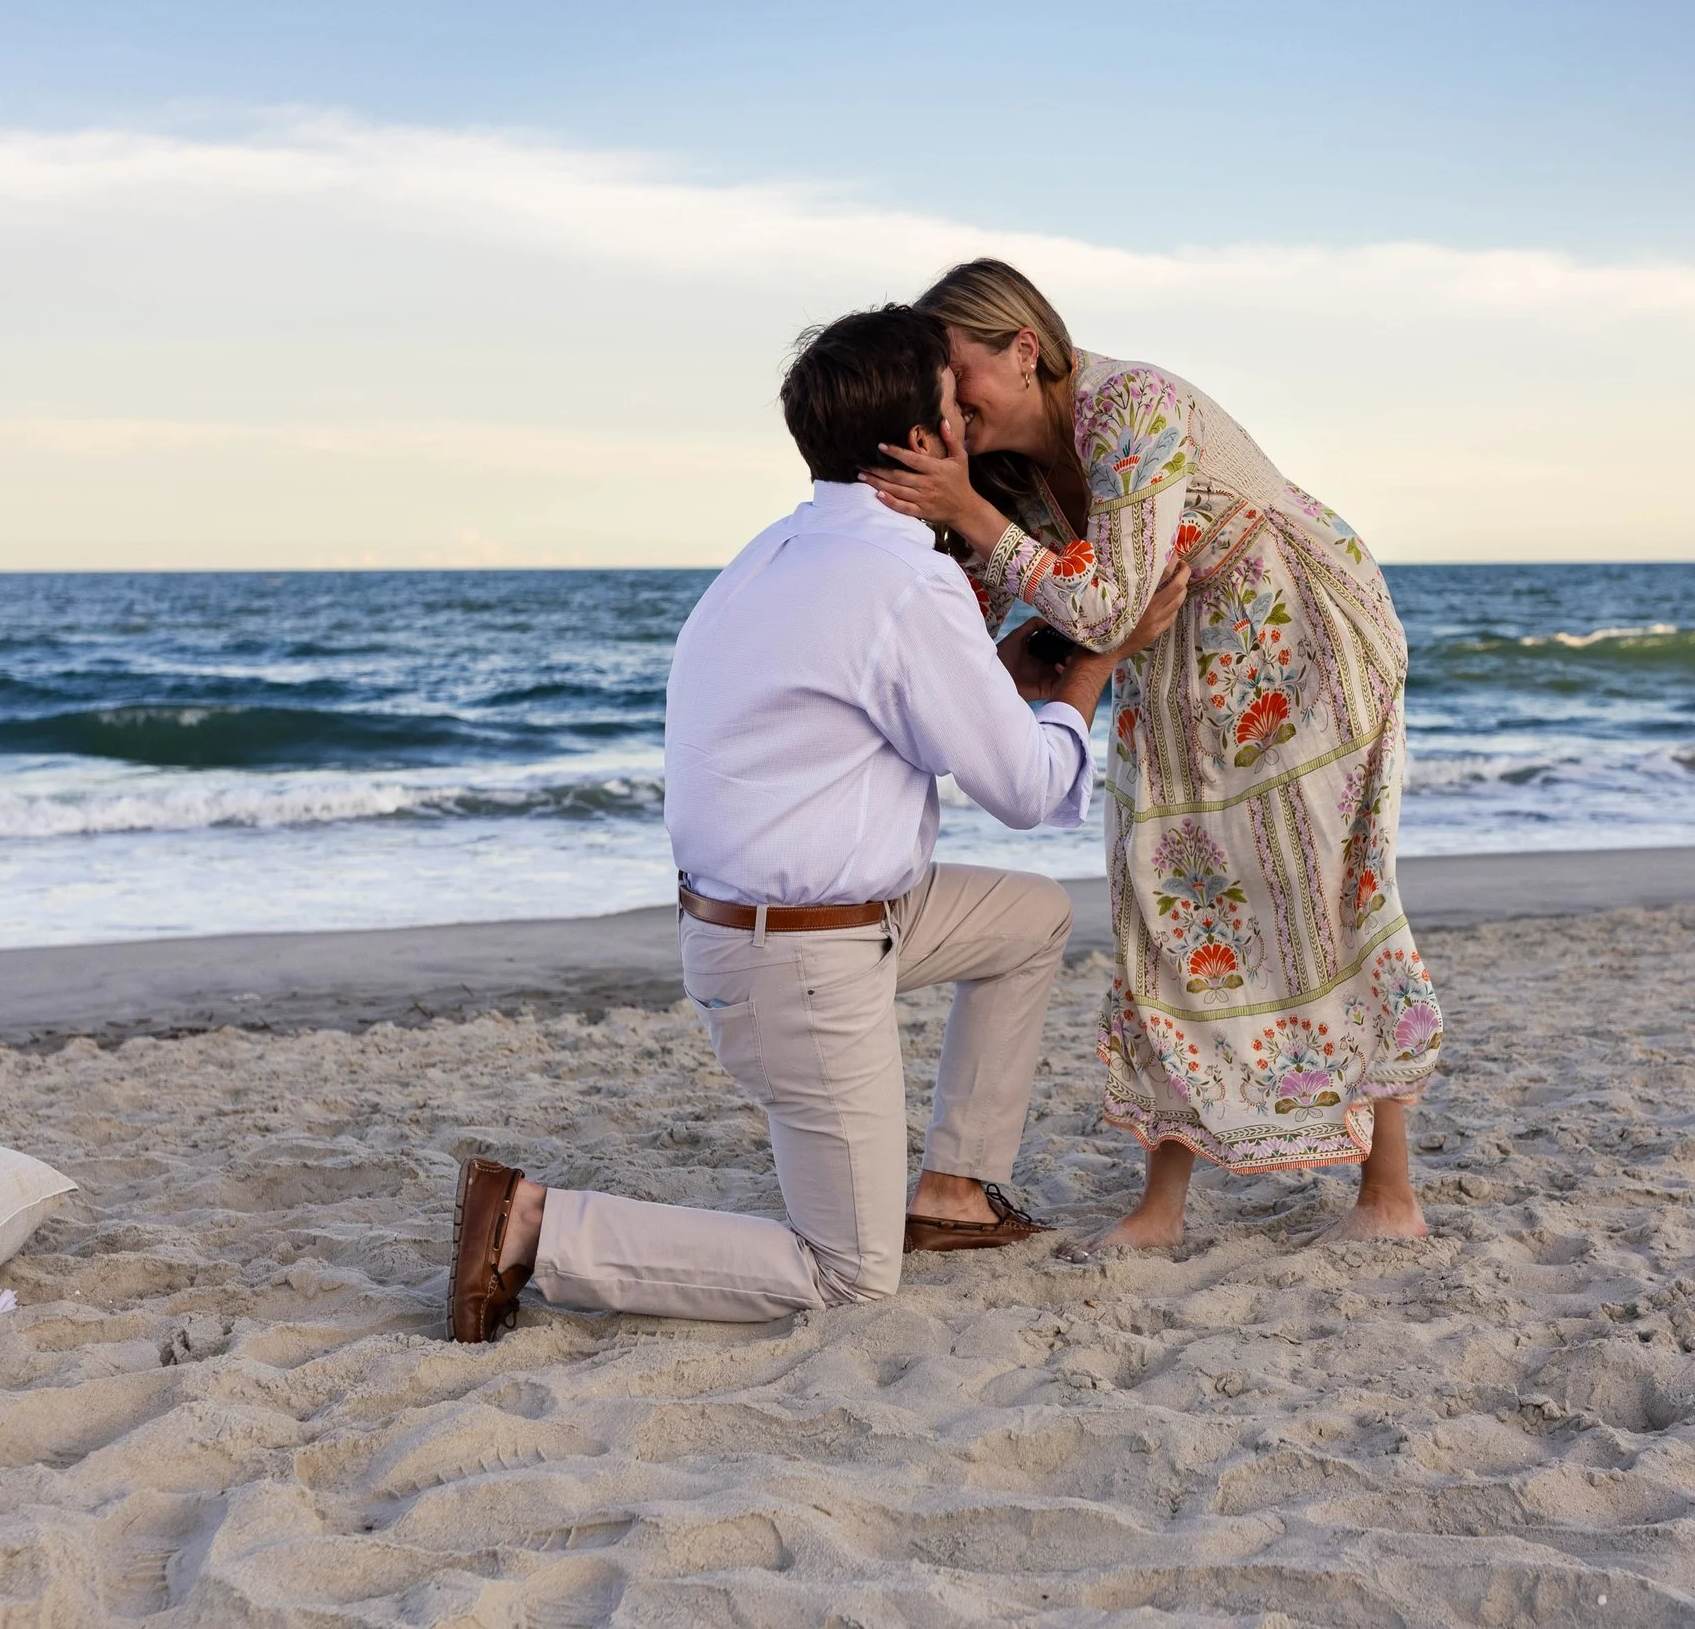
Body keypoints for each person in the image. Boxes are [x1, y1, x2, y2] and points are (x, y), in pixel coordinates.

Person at [448, 305, 1188, 1339]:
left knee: (1028, 920)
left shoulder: (780, 548)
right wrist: (1100, 656)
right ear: (923, 443)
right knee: (846, 1272)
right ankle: (535, 1226)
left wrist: (1000, 671)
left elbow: (862, 704)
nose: (972, 419)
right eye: (953, 405)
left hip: (785, 925)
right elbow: (1024, 791)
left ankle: (956, 1186)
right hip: (799, 959)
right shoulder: (906, 579)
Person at [864, 259, 1442, 1254]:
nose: (949, 408)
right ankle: (1159, 1208)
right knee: (1166, 902)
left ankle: (1388, 1193)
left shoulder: (1132, 406)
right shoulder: (995, 471)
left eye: (961, 381)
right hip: (1172, 660)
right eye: (935, 395)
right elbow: (963, 618)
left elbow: (1105, 604)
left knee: (1331, 893)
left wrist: (965, 512)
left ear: (1024, 346)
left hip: (1298, 637)